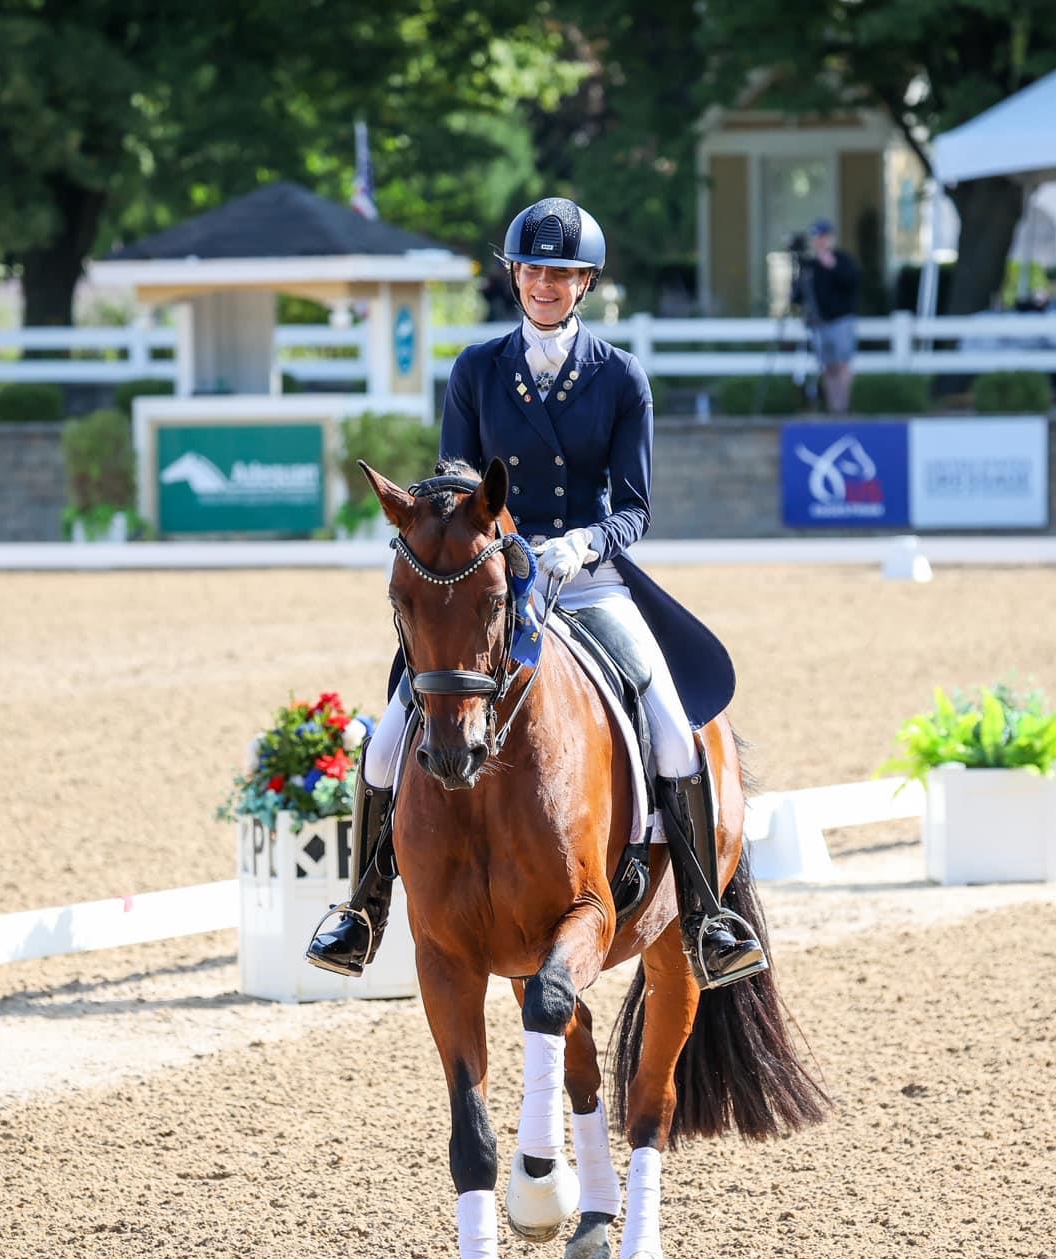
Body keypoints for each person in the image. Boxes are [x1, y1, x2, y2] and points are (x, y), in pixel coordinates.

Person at [305, 195, 765, 989]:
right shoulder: (477, 371)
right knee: (387, 738)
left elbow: (634, 508)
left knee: (673, 729)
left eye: (561, 273)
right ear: (513, 275)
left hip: (590, 586)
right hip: (495, 591)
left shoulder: (621, 378)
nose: (544, 285)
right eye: (531, 270)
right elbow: (454, 490)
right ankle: (365, 907)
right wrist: (506, 551)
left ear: (584, 283)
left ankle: (705, 917)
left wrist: (581, 544)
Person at [799, 218, 859, 414]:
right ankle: (834, 408)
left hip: (841, 321)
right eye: (817, 238)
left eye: (824, 237)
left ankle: (844, 407)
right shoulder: (810, 266)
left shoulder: (842, 260)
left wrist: (832, 267)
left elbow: (852, 283)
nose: (821, 241)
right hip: (820, 323)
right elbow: (799, 295)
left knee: (842, 364)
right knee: (828, 367)